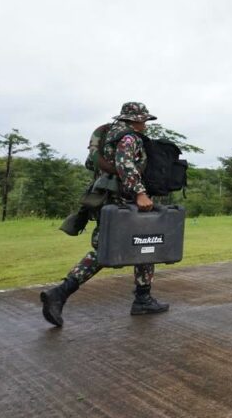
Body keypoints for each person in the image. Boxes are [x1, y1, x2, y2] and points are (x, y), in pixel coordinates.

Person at [41, 102, 169, 327]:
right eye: (144, 121)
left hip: (106, 198)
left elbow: (91, 164)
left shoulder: (108, 135)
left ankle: (142, 297)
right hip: (125, 200)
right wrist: (140, 193)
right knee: (136, 244)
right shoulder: (129, 138)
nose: (146, 125)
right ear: (136, 120)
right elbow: (125, 165)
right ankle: (61, 293)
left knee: (132, 246)